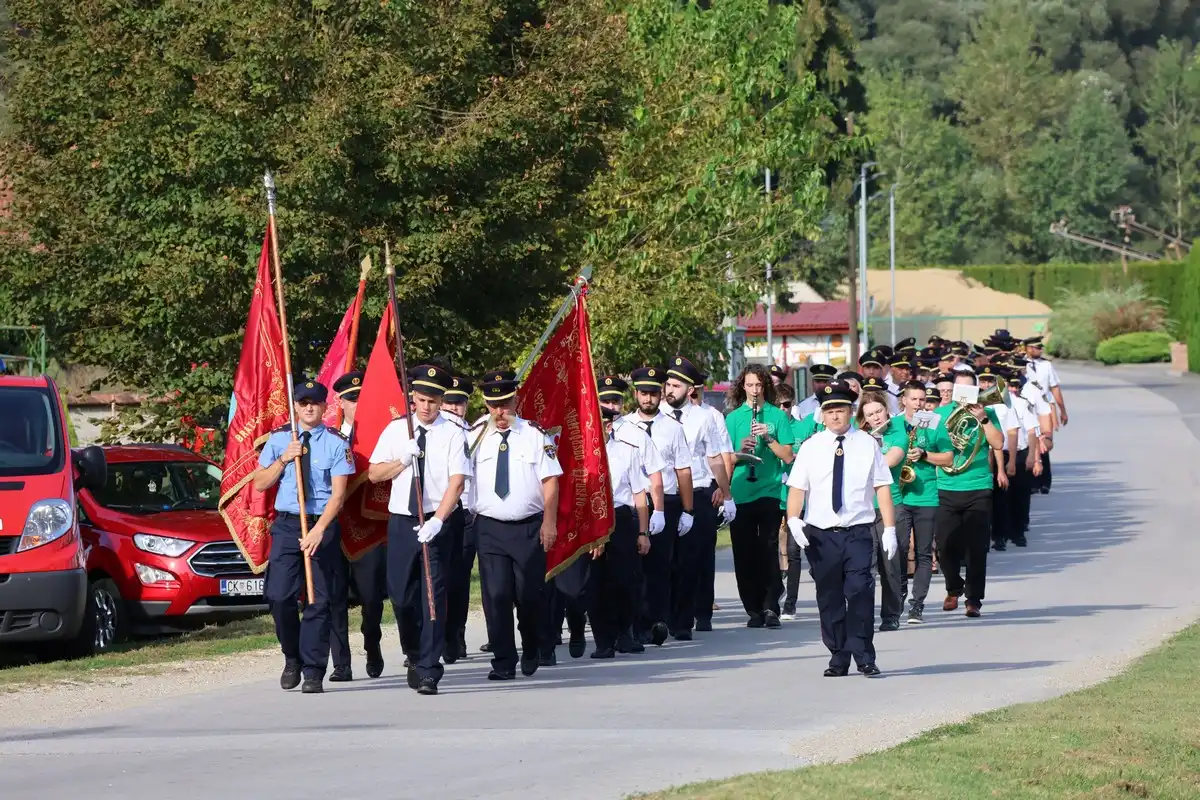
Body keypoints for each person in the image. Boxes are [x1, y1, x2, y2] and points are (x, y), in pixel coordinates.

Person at [367, 364, 468, 696]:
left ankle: (429, 668)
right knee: (400, 595)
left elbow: (457, 482)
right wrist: (403, 462)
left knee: (433, 597)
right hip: (402, 521)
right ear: (413, 398)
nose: (427, 407)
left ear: (441, 401)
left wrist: (439, 519)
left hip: (437, 519)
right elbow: (374, 474)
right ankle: (413, 652)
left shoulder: (453, 432)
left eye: (434, 401)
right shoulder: (397, 430)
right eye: (422, 400)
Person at [786, 379, 896, 677]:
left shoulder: (867, 444)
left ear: (851, 411)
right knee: (830, 596)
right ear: (822, 414)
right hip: (822, 535)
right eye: (830, 410)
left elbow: (882, 486)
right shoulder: (811, 447)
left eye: (841, 410)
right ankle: (838, 655)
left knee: (860, 591)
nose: (835, 416)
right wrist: (793, 519)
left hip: (858, 531)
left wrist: (889, 528)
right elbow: (797, 487)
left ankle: (863, 655)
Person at [254, 379, 353, 694]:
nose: (309, 408)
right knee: (280, 596)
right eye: (303, 402)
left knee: (317, 600)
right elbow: (260, 483)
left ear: (325, 407)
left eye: (315, 402)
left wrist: (319, 529)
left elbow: (338, 497)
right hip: (287, 524)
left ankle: (313, 670)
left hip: (320, 523)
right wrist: (285, 458)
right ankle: (292, 656)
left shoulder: (336, 443)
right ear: (295, 406)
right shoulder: (280, 439)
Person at [469, 370, 563, 680]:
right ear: (485, 403)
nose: (500, 411)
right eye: (494, 404)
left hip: (528, 528)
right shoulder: (474, 437)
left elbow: (550, 481)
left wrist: (549, 522)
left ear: (516, 399)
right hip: (490, 528)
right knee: (495, 596)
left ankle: (533, 644)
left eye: (505, 403)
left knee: (530, 596)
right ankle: (503, 661)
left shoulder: (536, 435)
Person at [663, 356, 736, 640]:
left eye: (676, 385)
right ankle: (666, 615)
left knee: (696, 558)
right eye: (668, 384)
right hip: (669, 495)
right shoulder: (657, 416)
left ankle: (692, 617)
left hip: (700, 491)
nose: (670, 390)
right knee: (668, 559)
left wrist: (726, 493)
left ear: (690, 389)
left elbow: (715, 457)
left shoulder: (705, 417)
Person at [924, 371, 1005, 618]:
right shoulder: (939, 414)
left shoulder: (987, 413)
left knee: (977, 548)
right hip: (946, 487)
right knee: (946, 546)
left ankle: (973, 599)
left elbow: (998, 443)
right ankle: (954, 587)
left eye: (970, 389)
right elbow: (927, 447)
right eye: (960, 389)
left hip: (978, 487)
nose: (964, 394)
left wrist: (983, 419)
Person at [624, 366, 693, 647]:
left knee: (660, 567)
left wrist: (688, 511)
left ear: (661, 393)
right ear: (636, 394)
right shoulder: (623, 426)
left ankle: (657, 620)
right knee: (631, 567)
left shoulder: (673, 428)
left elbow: (683, 470)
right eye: (643, 393)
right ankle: (633, 622)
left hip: (667, 503)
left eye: (653, 393)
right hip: (632, 504)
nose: (648, 399)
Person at [725, 363, 795, 629]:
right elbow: (724, 458)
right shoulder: (732, 419)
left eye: (758, 385)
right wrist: (738, 450)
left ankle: (770, 606)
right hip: (741, 491)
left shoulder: (777, 416)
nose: (754, 390)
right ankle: (752, 608)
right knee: (744, 552)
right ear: (743, 386)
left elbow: (787, 456)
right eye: (750, 385)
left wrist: (768, 438)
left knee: (767, 549)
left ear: (765, 386)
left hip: (769, 490)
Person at [328, 370, 387, 682]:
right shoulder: (327, 436)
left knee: (371, 598)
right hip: (334, 525)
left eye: (362, 398)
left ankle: (372, 642)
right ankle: (341, 663)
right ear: (340, 402)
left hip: (367, 527)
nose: (357, 404)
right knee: (334, 596)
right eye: (351, 399)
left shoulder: (381, 435)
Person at [589, 405, 652, 658]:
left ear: (608, 425)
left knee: (624, 580)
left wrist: (643, 532)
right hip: (591, 519)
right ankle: (603, 640)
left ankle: (624, 634)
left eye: (599, 424)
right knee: (596, 583)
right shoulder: (580, 454)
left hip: (620, 518)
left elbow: (639, 493)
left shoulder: (627, 451)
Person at [856, 394, 906, 631]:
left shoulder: (897, 434)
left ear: (887, 411)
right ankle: (863, 615)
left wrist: (872, 446)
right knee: (865, 565)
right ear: (863, 419)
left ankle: (891, 614)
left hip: (891, 505)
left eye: (879, 412)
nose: (876, 417)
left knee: (890, 564)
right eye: (870, 414)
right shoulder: (859, 437)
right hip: (863, 507)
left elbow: (890, 461)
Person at [890, 381, 939, 624]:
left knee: (923, 551)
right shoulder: (893, 424)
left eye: (923, 400)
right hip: (899, 495)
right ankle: (898, 596)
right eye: (914, 399)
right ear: (904, 401)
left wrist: (925, 455)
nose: (919, 404)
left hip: (926, 494)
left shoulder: (932, 423)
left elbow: (949, 456)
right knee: (898, 548)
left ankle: (917, 604)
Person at [688, 374, 734, 630]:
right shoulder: (664, 414)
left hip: (704, 489)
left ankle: (703, 611)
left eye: (695, 389)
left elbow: (723, 454)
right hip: (674, 492)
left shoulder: (711, 416)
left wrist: (722, 488)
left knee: (704, 554)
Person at [440, 374, 477, 663]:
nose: (454, 409)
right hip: (440, 513)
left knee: (460, 580)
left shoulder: (478, 432)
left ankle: (456, 636)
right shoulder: (436, 433)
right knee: (437, 578)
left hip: (469, 515)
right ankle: (434, 636)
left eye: (459, 403)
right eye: (449, 403)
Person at [1023, 335, 1066, 494]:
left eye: (1039, 347)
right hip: (1027, 407)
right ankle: (1032, 481)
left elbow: (1054, 387)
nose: (1038, 350)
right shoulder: (1019, 364)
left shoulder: (1046, 365)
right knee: (1029, 442)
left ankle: (1045, 481)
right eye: (1035, 347)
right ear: (1027, 348)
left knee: (1044, 444)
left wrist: (1063, 410)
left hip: (1045, 406)